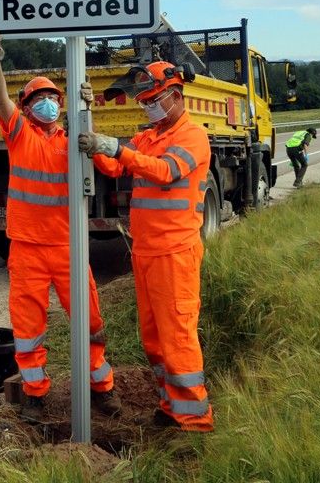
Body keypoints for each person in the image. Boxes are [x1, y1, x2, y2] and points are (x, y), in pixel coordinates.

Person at [0, 28, 121, 423]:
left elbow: (106, 161)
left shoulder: (73, 137)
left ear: (62, 104)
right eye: (37, 99)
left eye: (51, 98)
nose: (45, 104)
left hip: (68, 245)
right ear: (26, 108)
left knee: (90, 321)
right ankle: (35, 394)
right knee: (28, 328)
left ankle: (101, 388)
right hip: (26, 247)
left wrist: (89, 112)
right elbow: (1, 99)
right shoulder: (20, 134)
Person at [77, 61, 215, 432]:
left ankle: (195, 421)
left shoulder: (193, 137)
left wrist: (116, 149)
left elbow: (165, 171)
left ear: (176, 96)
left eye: (153, 99)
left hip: (175, 253)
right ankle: (171, 406)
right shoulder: (149, 136)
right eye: (144, 101)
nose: (148, 106)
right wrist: (89, 127)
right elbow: (112, 167)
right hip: (147, 252)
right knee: (154, 338)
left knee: (177, 337)